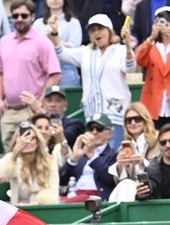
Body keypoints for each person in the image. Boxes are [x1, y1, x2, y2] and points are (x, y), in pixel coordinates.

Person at [52, 14, 133, 149]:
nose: (96, 33)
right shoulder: (86, 52)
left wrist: (128, 46)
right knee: (93, 155)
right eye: (93, 30)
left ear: (109, 30)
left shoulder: (120, 50)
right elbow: (61, 52)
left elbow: (129, 68)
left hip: (115, 115)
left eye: (100, 29)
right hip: (92, 116)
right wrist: (54, 33)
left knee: (112, 155)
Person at [0, 0, 62, 149]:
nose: (19, 19)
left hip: (30, 111)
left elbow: (56, 74)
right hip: (9, 111)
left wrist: (39, 102)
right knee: (10, 159)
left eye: (24, 15)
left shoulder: (42, 42)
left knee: (32, 155)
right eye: (15, 15)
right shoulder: (4, 42)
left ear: (32, 17)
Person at [60, 114, 118, 202]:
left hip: (96, 199)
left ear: (109, 133)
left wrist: (92, 155)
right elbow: (61, 181)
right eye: (91, 128)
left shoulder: (114, 155)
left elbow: (110, 179)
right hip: (75, 195)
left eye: (99, 128)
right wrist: (73, 159)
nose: (94, 132)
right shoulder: (82, 154)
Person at [34, 0, 82, 88]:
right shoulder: (38, 23)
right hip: (43, 73)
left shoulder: (73, 22)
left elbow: (74, 48)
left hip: (67, 73)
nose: (55, 0)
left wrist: (54, 38)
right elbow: (32, 48)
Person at [109, 103, 160, 185]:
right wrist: (120, 166)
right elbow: (118, 182)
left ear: (145, 120)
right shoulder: (123, 148)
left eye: (137, 119)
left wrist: (143, 162)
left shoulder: (159, 140)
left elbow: (163, 170)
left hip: (154, 186)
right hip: (133, 188)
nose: (133, 123)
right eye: (128, 120)